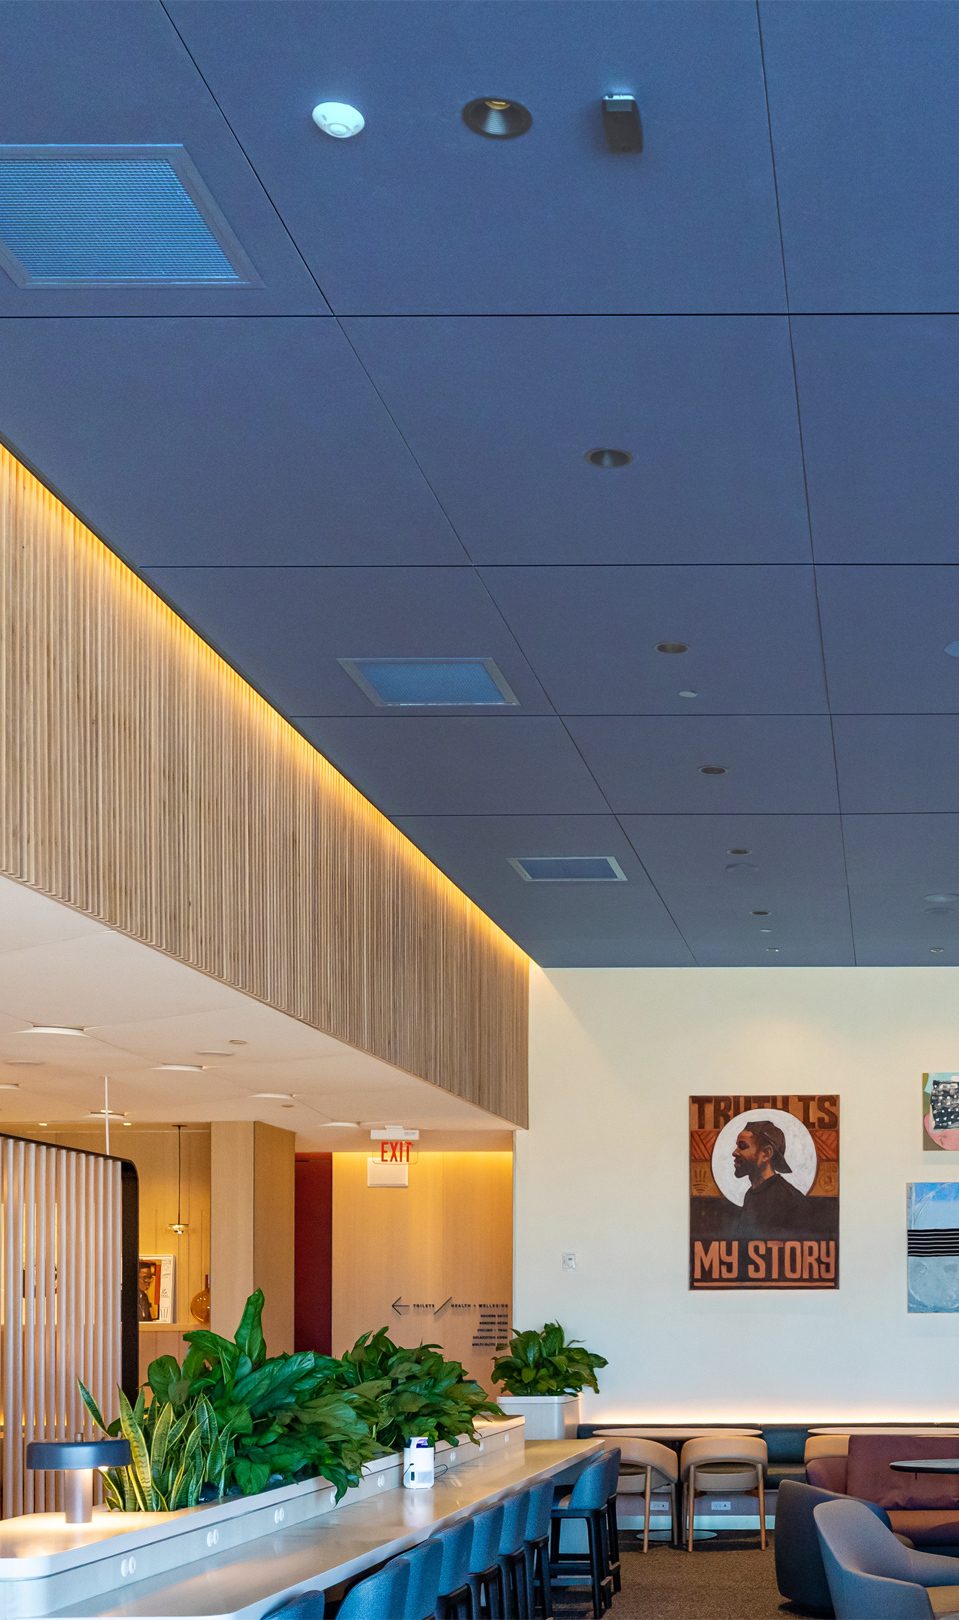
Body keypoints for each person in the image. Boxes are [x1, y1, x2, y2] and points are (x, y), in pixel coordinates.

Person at [733, 1120, 810, 1237]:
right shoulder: (750, 1194)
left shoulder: (790, 1200)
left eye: (742, 1146)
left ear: (766, 1153)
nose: (734, 1152)